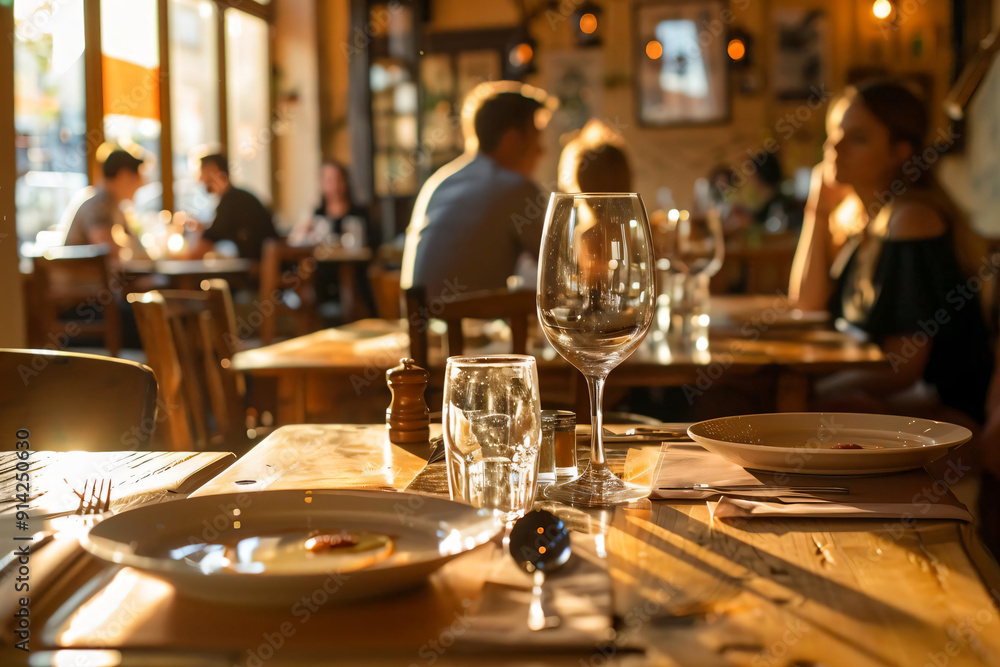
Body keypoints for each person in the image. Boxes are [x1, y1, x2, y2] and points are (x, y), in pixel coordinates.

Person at [789, 80, 993, 423]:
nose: (833, 146)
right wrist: (817, 211)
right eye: (835, 132)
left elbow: (902, 368)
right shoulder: (865, 218)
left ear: (900, 152)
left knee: (778, 408)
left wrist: (810, 393)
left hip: (941, 415)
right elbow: (807, 307)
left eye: (857, 138)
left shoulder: (910, 220)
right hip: (892, 400)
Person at [400, 81, 551, 303]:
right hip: (467, 324)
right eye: (536, 136)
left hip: (417, 323)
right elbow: (560, 272)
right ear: (511, 139)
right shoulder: (516, 187)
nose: (542, 151)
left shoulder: (439, 180)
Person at [190, 153, 278, 260]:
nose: (200, 180)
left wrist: (180, 259)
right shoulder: (237, 197)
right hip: (254, 262)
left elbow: (206, 244)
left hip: (256, 266)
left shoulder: (231, 201)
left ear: (213, 170)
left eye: (202, 173)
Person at [64, 149, 145, 259]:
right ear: (124, 175)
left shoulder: (113, 205)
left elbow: (136, 246)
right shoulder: (100, 204)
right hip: (80, 269)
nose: (141, 183)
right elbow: (106, 246)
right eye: (137, 176)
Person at [288, 160, 371, 248]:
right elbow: (294, 241)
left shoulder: (360, 215)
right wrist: (304, 233)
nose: (335, 186)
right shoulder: (315, 216)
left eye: (339, 179)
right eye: (329, 181)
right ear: (321, 184)